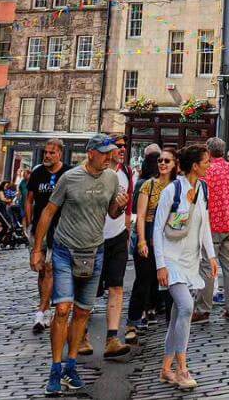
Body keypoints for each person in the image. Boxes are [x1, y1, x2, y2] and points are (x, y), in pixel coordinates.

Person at [31, 135, 130, 396]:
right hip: (65, 250)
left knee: (83, 312)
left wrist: (120, 208)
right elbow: (49, 212)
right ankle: (55, 368)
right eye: (105, 152)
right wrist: (38, 248)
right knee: (62, 308)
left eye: (111, 152)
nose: (110, 156)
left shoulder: (111, 178)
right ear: (91, 154)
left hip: (94, 252)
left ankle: (71, 365)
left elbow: (111, 213)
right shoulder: (70, 178)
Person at [154, 144, 218, 389]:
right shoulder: (172, 190)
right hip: (171, 259)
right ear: (195, 165)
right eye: (206, 162)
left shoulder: (203, 188)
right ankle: (182, 368)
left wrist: (210, 256)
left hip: (191, 261)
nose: (209, 166)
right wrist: (160, 265)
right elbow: (159, 229)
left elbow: (204, 226)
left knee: (177, 315)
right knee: (186, 306)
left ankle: (165, 368)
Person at [196, 137, 229, 324]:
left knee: (208, 266)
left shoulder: (206, 171)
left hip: (211, 225)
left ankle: (203, 309)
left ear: (208, 152)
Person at [127, 149, 176, 339]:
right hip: (149, 228)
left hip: (169, 233)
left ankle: (171, 324)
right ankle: (133, 321)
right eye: (160, 161)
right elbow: (140, 216)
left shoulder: (177, 185)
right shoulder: (149, 185)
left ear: (174, 164)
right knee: (143, 279)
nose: (162, 164)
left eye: (167, 161)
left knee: (171, 281)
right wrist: (142, 240)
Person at [25, 139, 69, 336]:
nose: (47, 156)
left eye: (52, 152)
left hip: (58, 228)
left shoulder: (67, 174)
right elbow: (29, 199)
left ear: (60, 153)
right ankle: (44, 304)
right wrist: (28, 223)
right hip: (38, 229)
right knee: (41, 269)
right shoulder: (37, 173)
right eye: (46, 152)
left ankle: (41, 312)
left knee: (50, 269)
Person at [98, 138, 134, 360]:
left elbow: (127, 204)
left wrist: (128, 229)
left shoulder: (127, 172)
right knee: (89, 289)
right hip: (94, 237)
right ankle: (81, 335)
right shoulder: (96, 173)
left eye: (124, 146)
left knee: (117, 286)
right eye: (118, 146)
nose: (122, 149)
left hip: (118, 235)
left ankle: (112, 338)